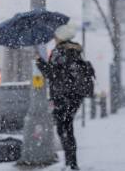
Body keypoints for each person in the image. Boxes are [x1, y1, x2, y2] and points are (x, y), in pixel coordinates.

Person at [36, 21, 94, 170]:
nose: (54, 39)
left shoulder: (59, 51)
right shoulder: (76, 50)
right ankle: (71, 162)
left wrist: (40, 63)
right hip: (75, 95)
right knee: (68, 126)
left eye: (56, 36)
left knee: (63, 128)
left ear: (61, 36)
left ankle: (71, 163)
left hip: (63, 94)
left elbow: (54, 74)